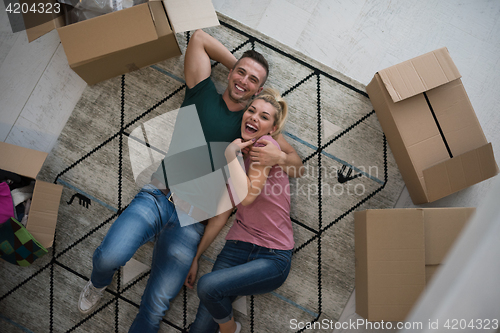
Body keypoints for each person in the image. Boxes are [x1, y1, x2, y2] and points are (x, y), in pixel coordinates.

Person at [77, 29, 303, 333]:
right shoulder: (201, 91)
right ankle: (98, 283)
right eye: (241, 73)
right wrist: (242, 73)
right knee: (109, 256)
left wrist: (277, 156)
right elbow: (198, 38)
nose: (244, 81)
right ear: (231, 70)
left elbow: (296, 163)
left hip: (193, 221)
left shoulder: (253, 122)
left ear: (260, 93)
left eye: (254, 81)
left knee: (156, 306)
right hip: (158, 197)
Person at [185, 88, 294, 333]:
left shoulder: (267, 147)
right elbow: (222, 214)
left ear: (272, 129)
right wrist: (196, 257)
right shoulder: (238, 160)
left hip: (273, 256)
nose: (255, 117)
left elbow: (248, 196)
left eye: (264, 117)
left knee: (208, 287)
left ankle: (230, 330)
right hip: (236, 248)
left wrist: (230, 155)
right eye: (252, 111)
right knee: (200, 327)